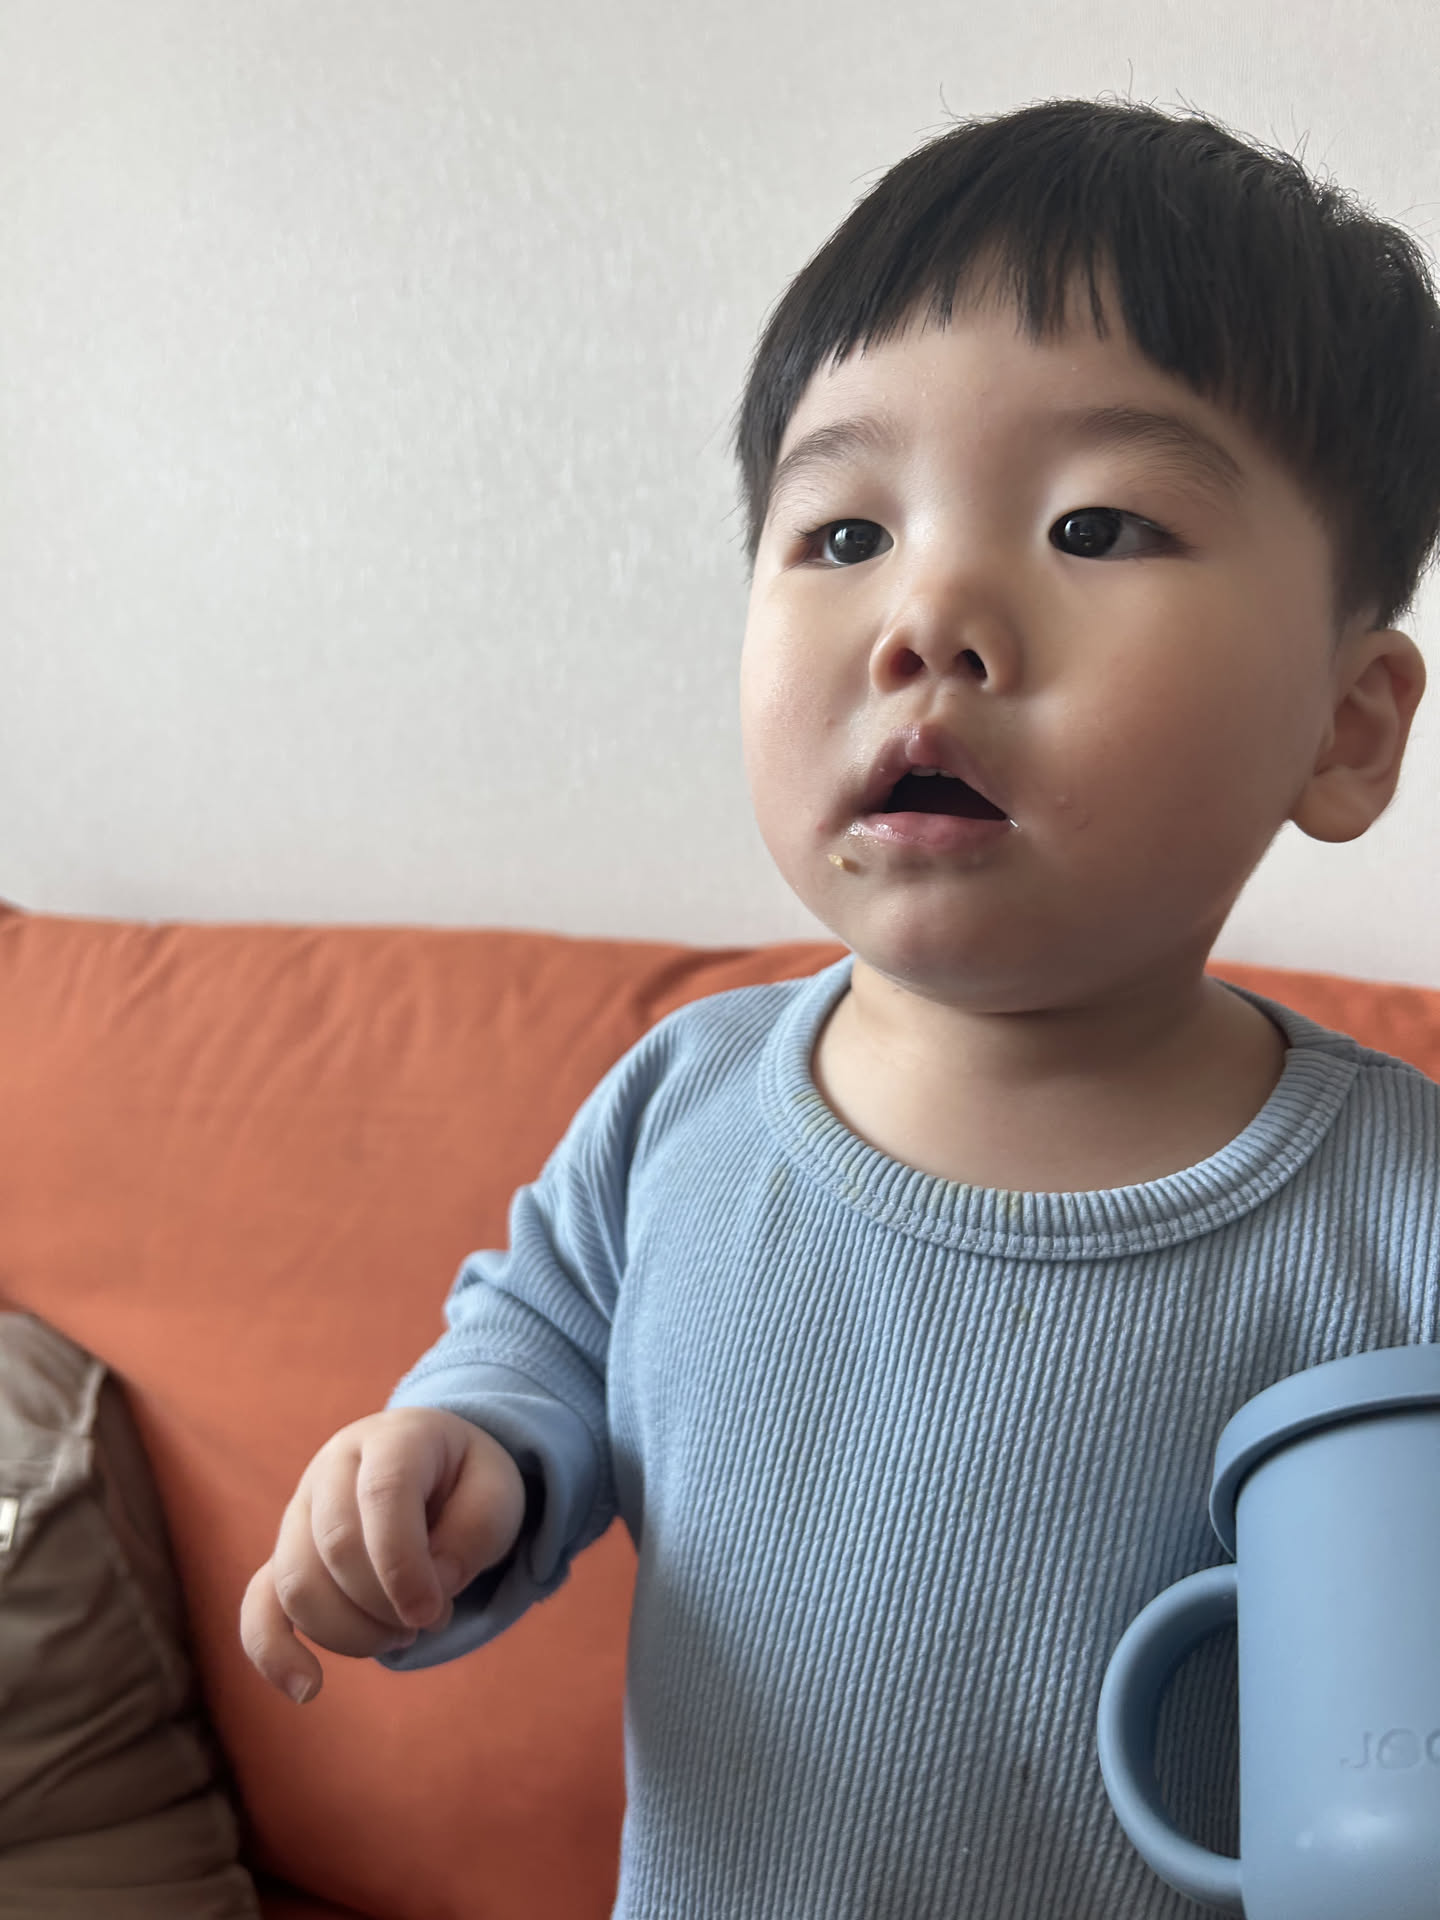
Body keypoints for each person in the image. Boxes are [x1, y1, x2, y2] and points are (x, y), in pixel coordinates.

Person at [240, 94, 1440, 1915]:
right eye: (843, 532)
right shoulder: (684, 1099)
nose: (929, 617)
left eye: (1098, 524)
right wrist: (453, 1460)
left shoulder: (1401, 1202)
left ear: (1346, 730)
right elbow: (539, 1339)